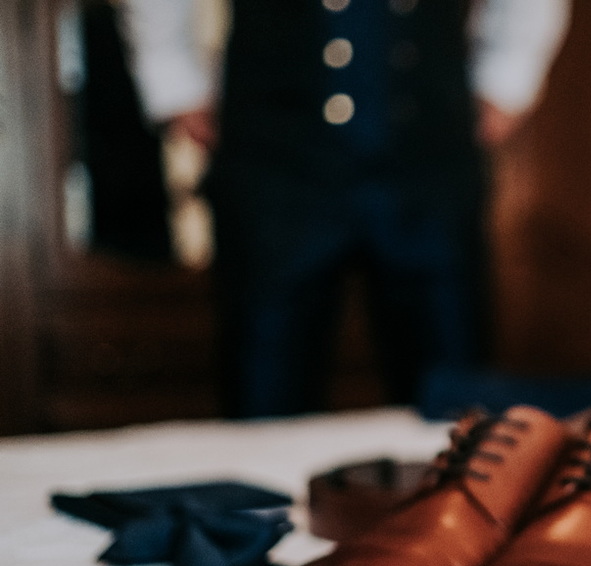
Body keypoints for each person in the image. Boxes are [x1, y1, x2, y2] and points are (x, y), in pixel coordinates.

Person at [119, 0, 568, 417]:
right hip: (274, 164)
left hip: (431, 161)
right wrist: (173, 79)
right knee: (264, 402)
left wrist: (509, 74)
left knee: (453, 406)